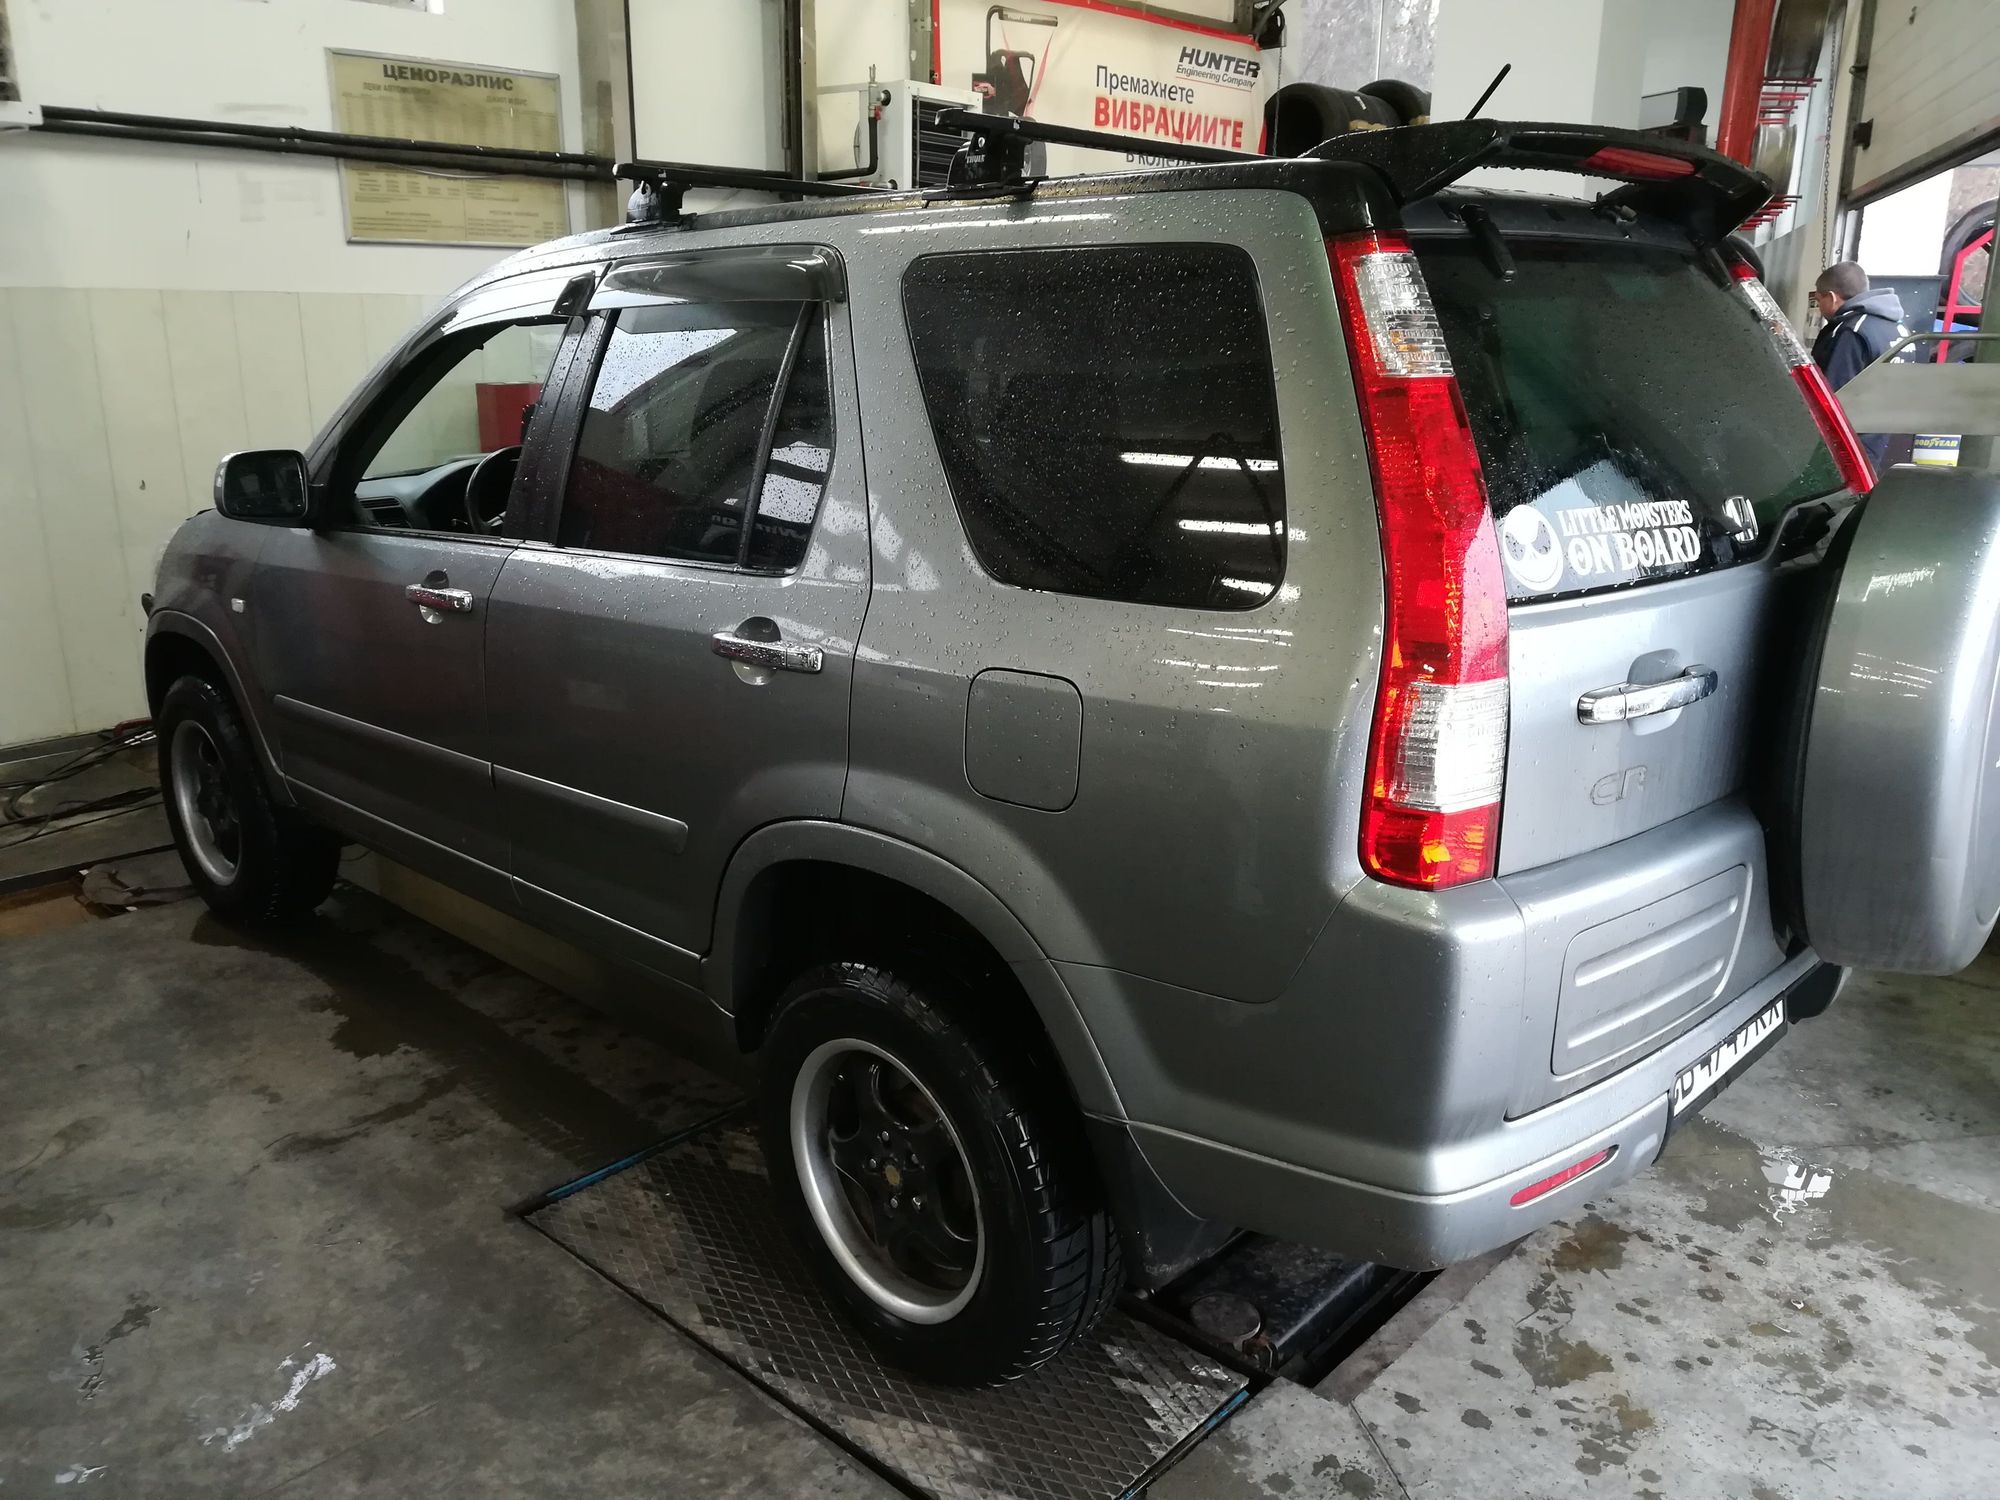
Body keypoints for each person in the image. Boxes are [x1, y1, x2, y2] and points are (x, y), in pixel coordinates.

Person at [1808, 262, 1905, 466]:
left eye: (1819, 300)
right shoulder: (1896, 328)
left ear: (1832, 297)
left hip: (1846, 445)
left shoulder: (1851, 332)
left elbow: (1833, 393)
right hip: (1878, 438)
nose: (1819, 307)